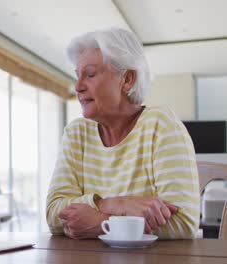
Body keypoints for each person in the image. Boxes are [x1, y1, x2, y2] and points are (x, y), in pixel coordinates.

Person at [46, 28, 200, 239]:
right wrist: (115, 204)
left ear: (127, 79)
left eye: (90, 74)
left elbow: (184, 223)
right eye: (77, 76)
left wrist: (101, 222)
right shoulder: (76, 133)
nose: (78, 86)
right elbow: (55, 213)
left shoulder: (160, 125)